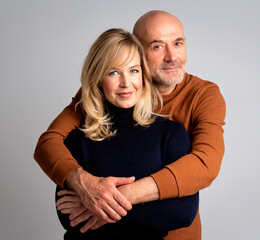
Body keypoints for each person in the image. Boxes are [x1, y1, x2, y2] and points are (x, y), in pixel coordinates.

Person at [34, 10, 226, 240]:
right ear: (138, 52)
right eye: (157, 46)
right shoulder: (103, 96)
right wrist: (84, 183)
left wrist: (107, 199)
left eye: (178, 43)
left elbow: (205, 164)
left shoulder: (203, 96)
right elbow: (48, 143)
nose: (171, 56)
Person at [54, 28, 199, 239]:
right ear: (98, 79)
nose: (126, 83)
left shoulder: (170, 134)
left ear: (143, 75)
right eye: (113, 72)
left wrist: (100, 204)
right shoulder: (78, 137)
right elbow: (67, 216)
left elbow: (183, 213)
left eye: (133, 71)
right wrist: (148, 207)